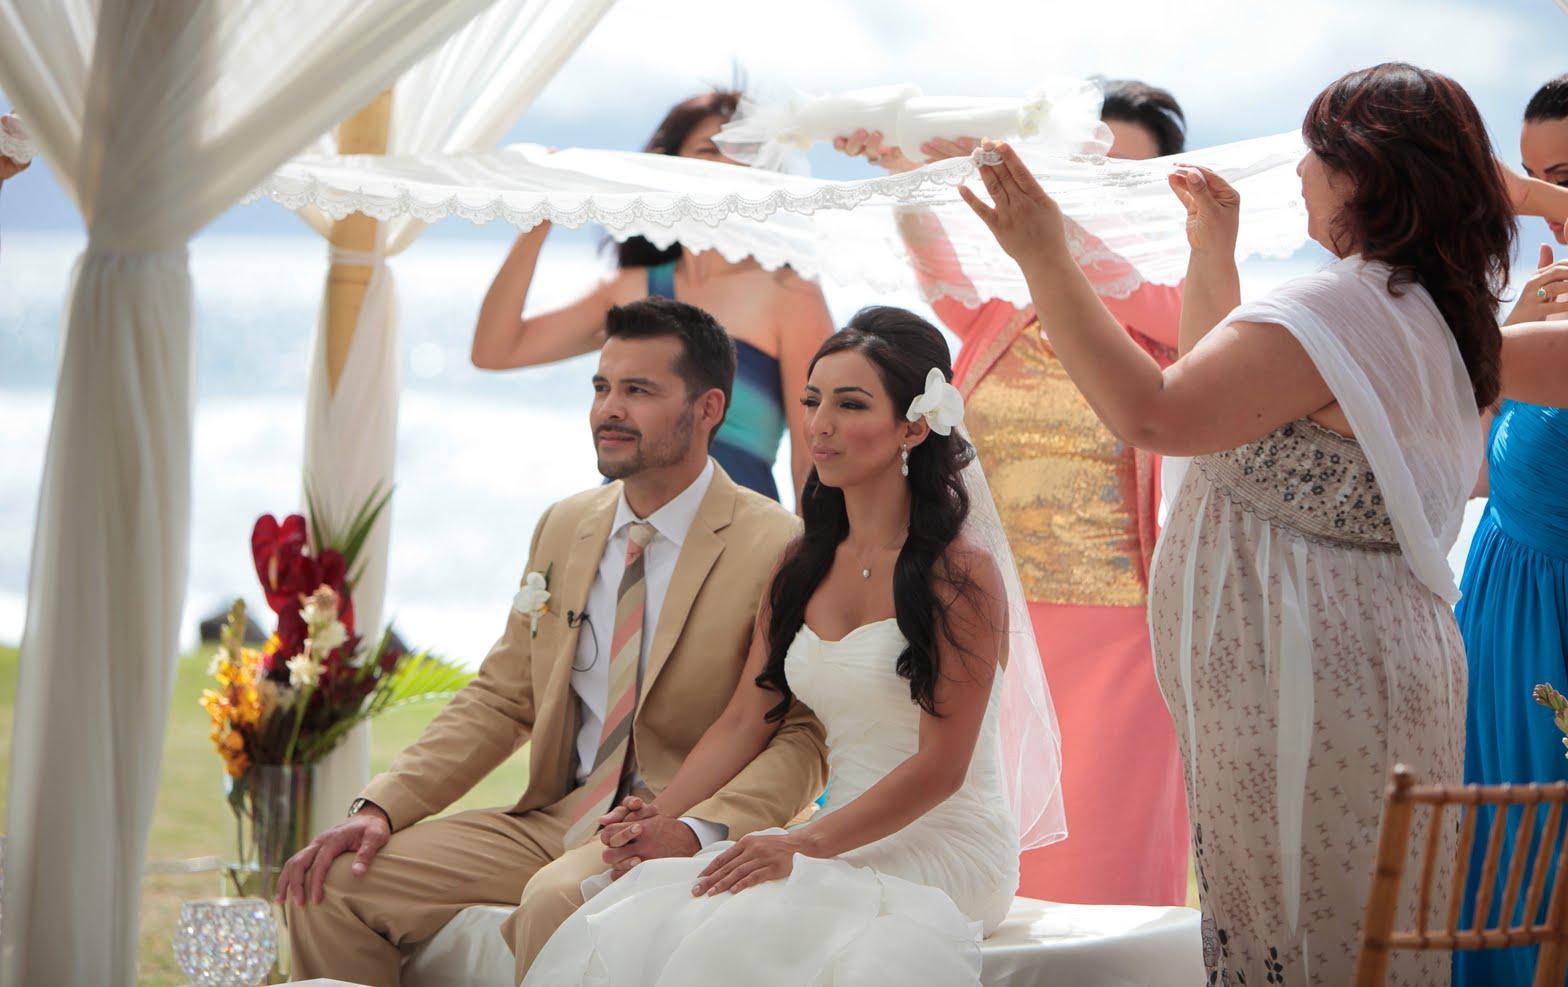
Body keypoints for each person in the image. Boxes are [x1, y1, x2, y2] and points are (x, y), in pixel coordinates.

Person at [960, 62, 1568, 985]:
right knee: (1366, 941)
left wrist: (1044, 255)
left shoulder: (1338, 305)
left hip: (1306, 683)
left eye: (1317, 152)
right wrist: (1210, 253)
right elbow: (1231, 411)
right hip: (1368, 668)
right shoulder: (1425, 308)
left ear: (1362, 174)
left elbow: (1157, 415)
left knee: (1308, 942)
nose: (1299, 172)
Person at [278, 298, 828, 986]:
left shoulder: (778, 544)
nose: (608, 409)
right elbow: (502, 697)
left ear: (709, 407)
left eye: (639, 390)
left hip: (676, 818)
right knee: (329, 888)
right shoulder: (565, 525)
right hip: (556, 814)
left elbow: (802, 735)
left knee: (557, 901)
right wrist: (383, 804)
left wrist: (698, 828)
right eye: (601, 387)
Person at [527, 306, 1062, 987]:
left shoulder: (957, 573)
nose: (820, 424)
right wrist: (660, 815)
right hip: (833, 832)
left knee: (746, 924)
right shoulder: (799, 564)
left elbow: (940, 768)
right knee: (664, 905)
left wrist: (801, 842)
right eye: (812, 400)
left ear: (913, 425)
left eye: (850, 403)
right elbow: (746, 717)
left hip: (946, 841)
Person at [829, 78, 1189, 906]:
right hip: (998, 623)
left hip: (1121, 635)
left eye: (1116, 179)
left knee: (1106, 861)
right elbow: (938, 270)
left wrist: (1040, 201)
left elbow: (1102, 272)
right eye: (1080, 171)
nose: (1085, 195)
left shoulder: (1170, 319)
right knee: (1000, 852)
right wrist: (903, 170)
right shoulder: (1001, 320)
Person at [471, 89, 836, 502]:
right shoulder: (631, 289)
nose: (727, 164)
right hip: (626, 536)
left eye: (744, 152)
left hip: (738, 542)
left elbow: (815, 455)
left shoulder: (790, 292)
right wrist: (537, 222)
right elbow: (494, 350)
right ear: (670, 169)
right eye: (708, 150)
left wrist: (814, 560)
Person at [1453, 85, 1568, 987]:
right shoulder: (1563, 324)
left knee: (1555, 901)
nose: (1558, 215)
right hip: (1501, 638)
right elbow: (1465, 471)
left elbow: (1429, 357)